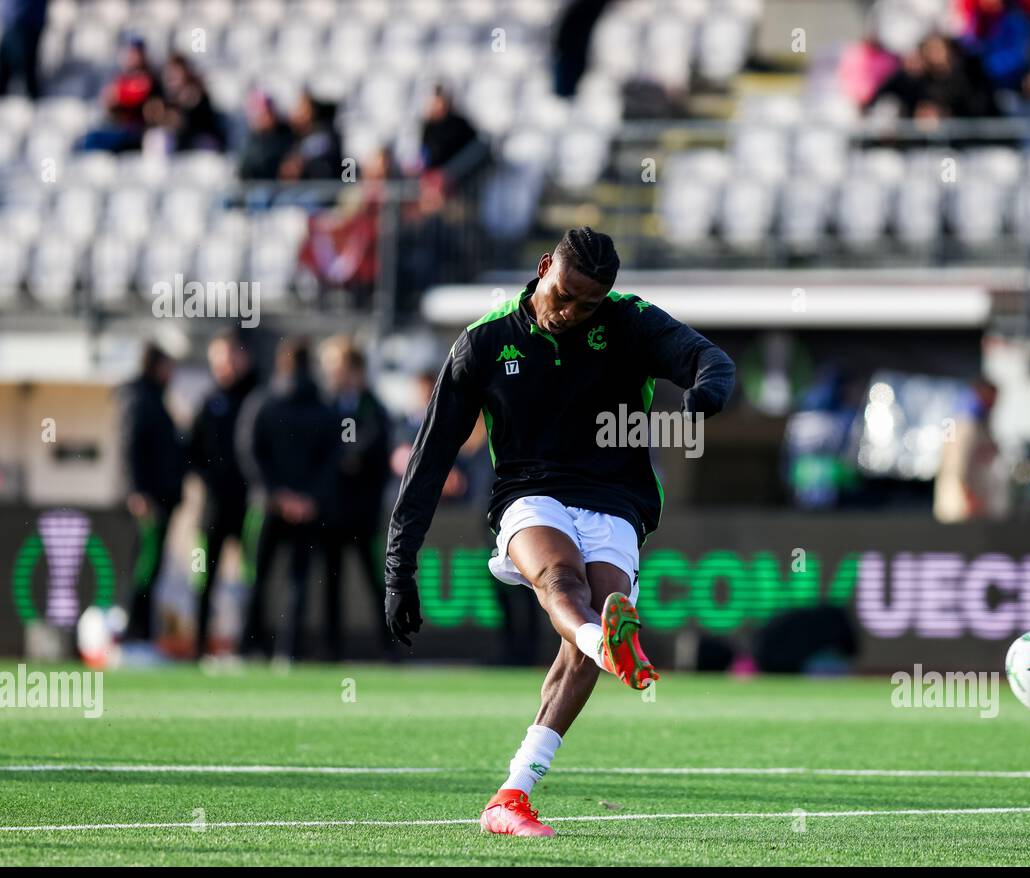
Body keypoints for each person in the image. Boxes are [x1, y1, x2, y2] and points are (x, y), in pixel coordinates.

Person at [385, 227, 735, 836]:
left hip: (615, 500)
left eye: (587, 305)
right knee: (561, 579)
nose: (570, 313)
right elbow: (429, 459)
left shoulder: (630, 321)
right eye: (564, 294)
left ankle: (511, 796)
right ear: (544, 267)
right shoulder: (485, 341)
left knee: (592, 622)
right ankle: (608, 645)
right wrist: (399, 568)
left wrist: (705, 397)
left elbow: (712, 359)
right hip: (528, 494)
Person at [236, 338, 338, 660]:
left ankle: (248, 647)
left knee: (256, 577)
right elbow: (332, 459)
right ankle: (287, 651)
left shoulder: (263, 402)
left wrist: (275, 494)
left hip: (266, 506)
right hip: (305, 510)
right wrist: (307, 499)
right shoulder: (323, 408)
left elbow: (249, 451)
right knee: (298, 582)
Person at [319, 338, 391, 660]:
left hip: (363, 512)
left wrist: (349, 458)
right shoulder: (328, 405)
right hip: (333, 512)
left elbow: (370, 449)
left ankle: (388, 646)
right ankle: (331, 648)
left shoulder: (372, 407)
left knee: (374, 578)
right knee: (331, 581)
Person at [189, 331, 257, 659]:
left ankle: (250, 644)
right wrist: (211, 479)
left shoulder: (257, 398)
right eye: (219, 358)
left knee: (252, 576)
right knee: (205, 576)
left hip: (250, 506)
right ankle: (200, 645)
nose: (225, 365)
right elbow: (192, 452)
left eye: (230, 356)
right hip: (214, 508)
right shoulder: (208, 401)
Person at [119, 342, 185, 641]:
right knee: (144, 566)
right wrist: (138, 492)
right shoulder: (140, 400)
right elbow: (130, 448)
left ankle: (143, 631)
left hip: (161, 497)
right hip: (150, 500)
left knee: (152, 566)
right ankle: (134, 631)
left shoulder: (154, 398)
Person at [934, 377, 1009, 522]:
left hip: (978, 508)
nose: (994, 404)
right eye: (991, 398)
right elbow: (955, 465)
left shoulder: (981, 427)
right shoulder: (962, 426)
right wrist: (969, 498)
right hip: (963, 510)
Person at [80, 37, 158, 153]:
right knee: (88, 140)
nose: (131, 57)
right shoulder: (123, 77)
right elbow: (107, 100)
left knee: (94, 140)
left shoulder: (147, 78)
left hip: (136, 132)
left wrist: (118, 95)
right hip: (119, 127)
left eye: (134, 53)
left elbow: (132, 98)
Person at [0, 0, 47, 98]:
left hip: (26, 19)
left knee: (28, 59)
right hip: (16, 18)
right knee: (10, 58)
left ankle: (32, 91)